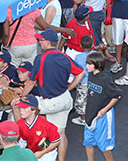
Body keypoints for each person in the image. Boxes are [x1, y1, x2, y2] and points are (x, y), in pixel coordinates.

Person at [24, 29, 86, 161]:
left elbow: (30, 83)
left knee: (22, 109)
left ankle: (24, 146)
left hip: (50, 102)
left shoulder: (41, 58)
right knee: (61, 134)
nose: (39, 42)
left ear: (47, 42)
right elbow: (81, 73)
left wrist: (21, 97)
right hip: (65, 99)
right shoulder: (64, 56)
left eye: (41, 40)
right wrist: (69, 88)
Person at [83, 52, 122, 161]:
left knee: (104, 146)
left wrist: (104, 110)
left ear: (96, 64)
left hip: (102, 118)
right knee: (88, 143)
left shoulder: (105, 79)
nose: (86, 66)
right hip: (90, 115)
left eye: (89, 64)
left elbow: (117, 95)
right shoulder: (91, 74)